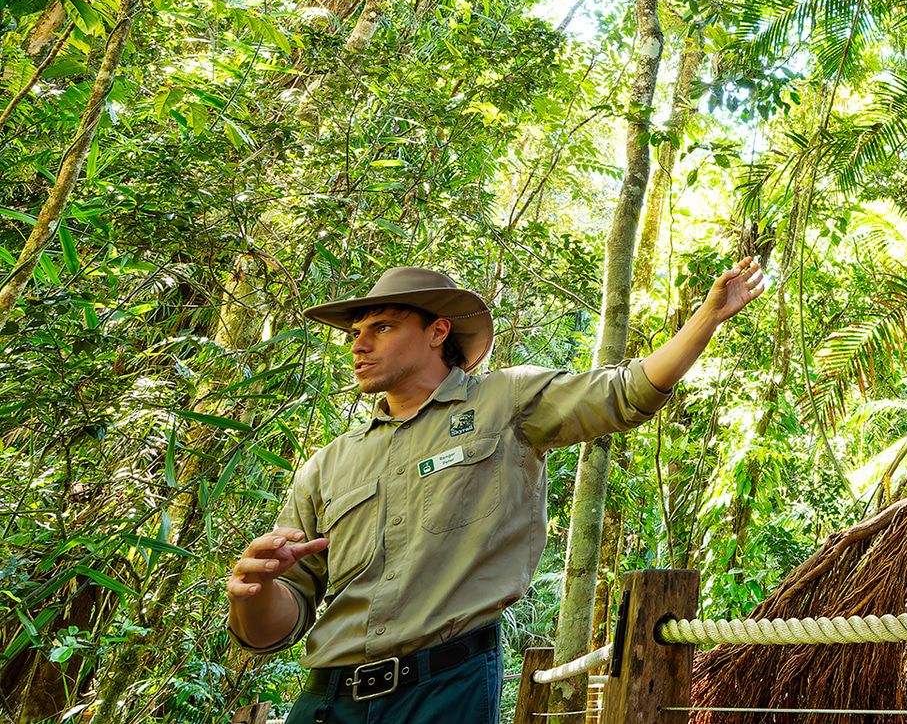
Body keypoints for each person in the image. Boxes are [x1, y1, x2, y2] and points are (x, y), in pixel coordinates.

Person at [225, 259, 766, 723]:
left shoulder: (503, 401)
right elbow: (280, 622)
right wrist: (253, 594)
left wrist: (707, 317)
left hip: (445, 689)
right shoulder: (326, 466)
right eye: (355, 333)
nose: (359, 344)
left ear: (438, 332)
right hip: (326, 699)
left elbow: (626, 392)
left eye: (383, 327)